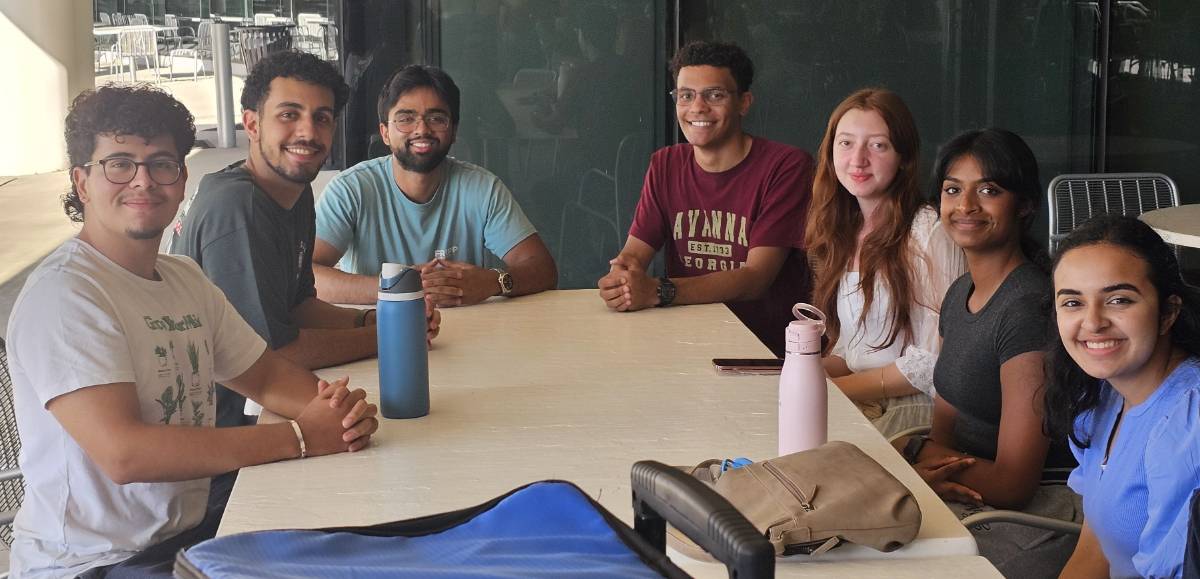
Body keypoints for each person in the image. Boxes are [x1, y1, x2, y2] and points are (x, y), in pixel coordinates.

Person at [6, 84, 378, 578]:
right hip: (94, 564)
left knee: (359, 541)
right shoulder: (66, 294)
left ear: (182, 180)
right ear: (82, 182)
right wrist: (302, 436)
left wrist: (338, 414)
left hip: (188, 536)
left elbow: (265, 378)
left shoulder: (184, 279)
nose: (142, 181)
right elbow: (125, 453)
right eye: (119, 163)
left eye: (161, 163)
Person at [172, 51, 438, 428]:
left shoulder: (291, 193)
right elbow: (276, 352)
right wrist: (391, 336)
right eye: (289, 114)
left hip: (264, 408)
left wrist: (374, 319)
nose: (308, 132)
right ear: (252, 124)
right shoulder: (237, 206)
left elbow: (300, 307)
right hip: (225, 432)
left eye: (322, 118)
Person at [898, 128, 1078, 577]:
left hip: (1035, 516)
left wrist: (916, 457)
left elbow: (1014, 483)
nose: (966, 205)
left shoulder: (1027, 309)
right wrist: (922, 455)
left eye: (989, 190)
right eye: (953, 189)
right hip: (968, 494)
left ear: (1025, 205)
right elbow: (944, 434)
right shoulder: (961, 292)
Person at [596, 41, 814, 356]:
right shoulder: (665, 163)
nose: (697, 107)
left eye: (715, 95)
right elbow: (634, 253)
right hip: (687, 342)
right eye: (685, 95)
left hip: (768, 352)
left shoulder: (786, 166)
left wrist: (658, 291)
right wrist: (622, 279)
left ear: (744, 102)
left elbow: (756, 278)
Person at [312, 64, 557, 307]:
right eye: (406, 119)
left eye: (437, 118)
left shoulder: (482, 188)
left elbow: (542, 268)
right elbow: (307, 276)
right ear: (385, 133)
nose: (422, 129)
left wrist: (493, 282)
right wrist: (398, 287)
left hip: (475, 332)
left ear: (453, 132)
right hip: (379, 332)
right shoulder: (350, 190)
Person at [1046, 215, 1200, 578]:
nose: (1093, 322)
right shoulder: (1102, 394)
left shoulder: (1188, 423)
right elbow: (1094, 546)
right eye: (1072, 303)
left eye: (1118, 300)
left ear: (1168, 312)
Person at [805, 88, 965, 437]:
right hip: (866, 396)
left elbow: (931, 364)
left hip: (917, 410)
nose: (858, 160)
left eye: (877, 145)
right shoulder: (843, 231)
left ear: (903, 158)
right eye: (846, 143)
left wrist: (830, 391)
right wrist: (802, 374)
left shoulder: (927, 230)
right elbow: (852, 352)